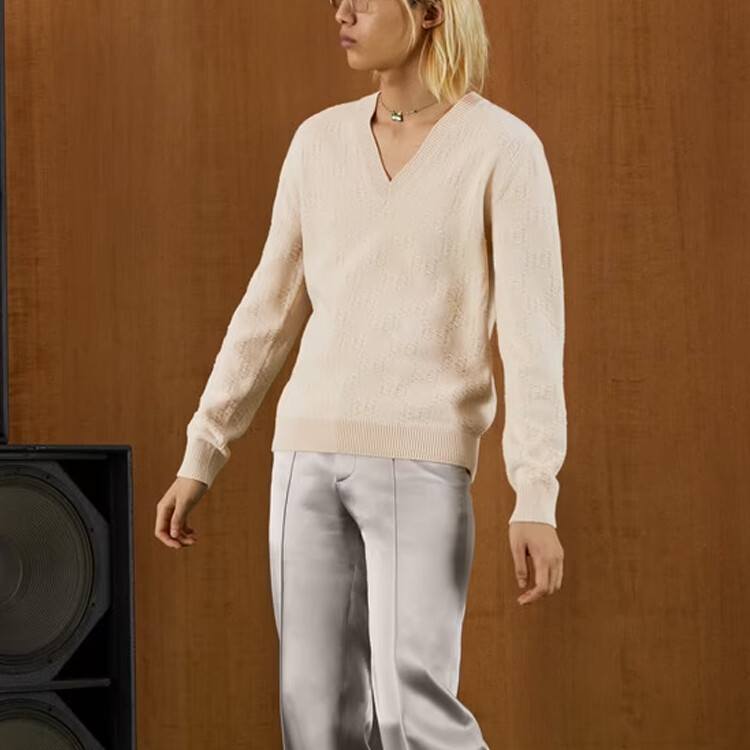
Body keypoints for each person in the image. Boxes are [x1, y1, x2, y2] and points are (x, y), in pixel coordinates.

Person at [155, 0, 566, 747]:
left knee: (416, 714)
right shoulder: (318, 142)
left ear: (430, 12)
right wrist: (203, 448)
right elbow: (268, 307)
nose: (340, 12)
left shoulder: (504, 149)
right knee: (314, 719)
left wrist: (535, 493)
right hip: (303, 459)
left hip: (422, 458)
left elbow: (533, 336)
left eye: (364, 0)